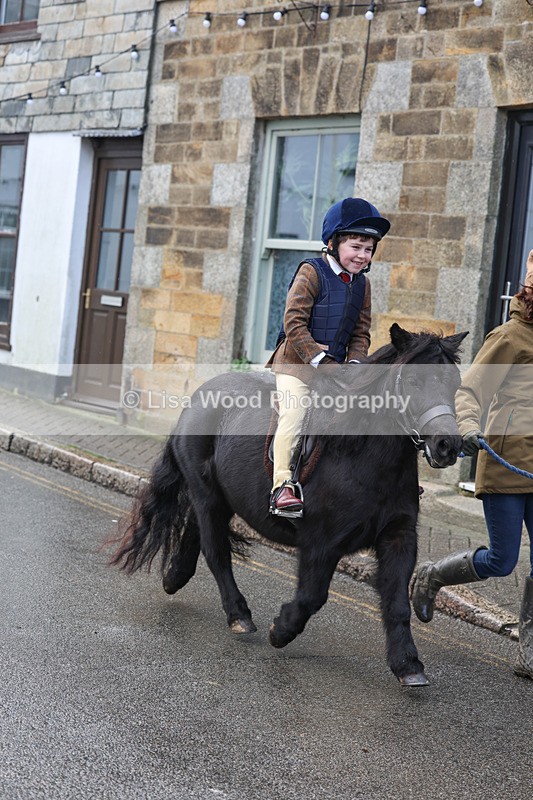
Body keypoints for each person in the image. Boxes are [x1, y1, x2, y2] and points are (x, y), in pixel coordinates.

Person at [411, 250, 533, 680]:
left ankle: (529, 653)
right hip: (507, 465)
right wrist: (466, 427)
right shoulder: (509, 337)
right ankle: (430, 577)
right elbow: (468, 393)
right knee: (503, 561)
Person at [265, 197, 391, 517]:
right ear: (333, 242)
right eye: (356, 246)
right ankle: (282, 486)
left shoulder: (363, 285)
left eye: (369, 249)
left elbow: (360, 333)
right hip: (297, 365)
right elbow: (293, 323)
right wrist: (320, 362)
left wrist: (355, 363)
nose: (363, 255)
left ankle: (382, 477)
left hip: (336, 368)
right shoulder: (312, 271)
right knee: (293, 415)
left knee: (372, 408)